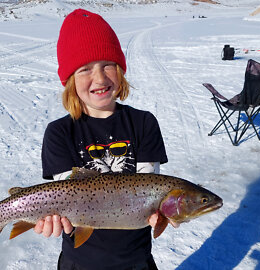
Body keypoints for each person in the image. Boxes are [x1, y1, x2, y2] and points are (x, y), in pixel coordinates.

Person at [36, 9, 168, 270]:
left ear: (120, 70)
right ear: (70, 80)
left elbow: (148, 186)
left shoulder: (144, 123)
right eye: (85, 69)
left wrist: (164, 212)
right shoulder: (59, 133)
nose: (100, 78)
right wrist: (52, 217)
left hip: (136, 260)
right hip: (79, 261)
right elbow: (66, 197)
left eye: (108, 64)